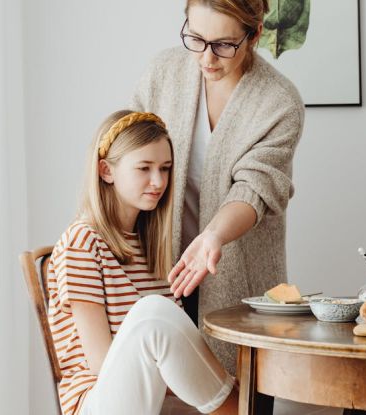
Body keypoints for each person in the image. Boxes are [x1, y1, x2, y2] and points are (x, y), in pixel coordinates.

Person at [129, 0, 305, 373]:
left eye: (224, 45)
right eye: (195, 38)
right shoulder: (163, 72)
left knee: (233, 389)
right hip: (158, 266)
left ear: (254, 34)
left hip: (236, 274)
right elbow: (128, 157)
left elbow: (255, 188)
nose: (207, 58)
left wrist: (212, 237)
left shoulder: (278, 101)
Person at [46, 110, 238, 415]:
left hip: (153, 397)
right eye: (144, 168)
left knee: (299, 405)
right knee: (152, 313)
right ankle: (237, 408)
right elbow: (101, 363)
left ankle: (239, 404)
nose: (158, 181)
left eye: (165, 168)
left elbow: (175, 356)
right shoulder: (81, 242)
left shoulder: (150, 244)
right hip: (98, 401)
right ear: (106, 171)